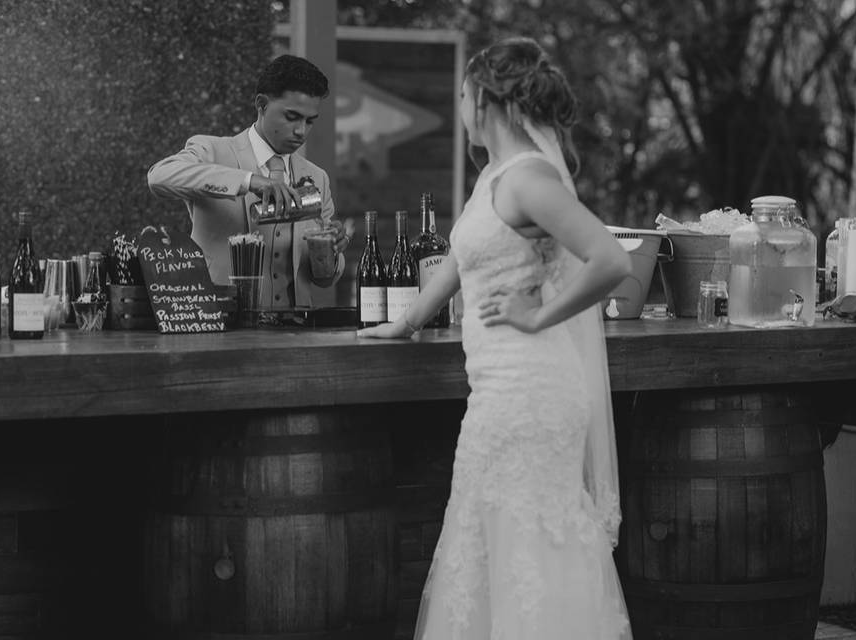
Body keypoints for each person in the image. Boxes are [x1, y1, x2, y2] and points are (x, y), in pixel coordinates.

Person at [359, 37, 634, 640]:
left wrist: (540, 315)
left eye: (461, 95)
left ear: (484, 99)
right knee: (486, 543)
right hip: (496, 394)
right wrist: (406, 322)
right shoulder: (494, 179)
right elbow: (461, 260)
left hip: (532, 392)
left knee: (529, 546)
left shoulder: (530, 180)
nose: (458, 106)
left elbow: (610, 260)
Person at [147, 54, 353, 310]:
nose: (301, 131)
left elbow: (323, 279)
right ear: (262, 105)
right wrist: (248, 181)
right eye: (292, 117)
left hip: (294, 333)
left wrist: (331, 251)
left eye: (309, 121)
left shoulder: (317, 177)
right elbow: (158, 176)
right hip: (218, 323)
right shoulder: (213, 150)